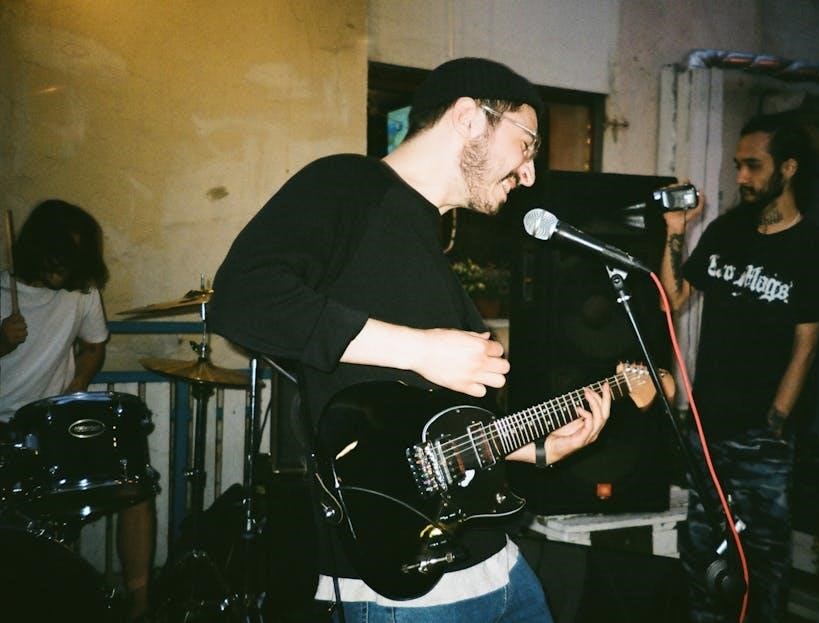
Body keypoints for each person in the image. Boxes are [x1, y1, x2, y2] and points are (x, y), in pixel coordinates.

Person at [209, 57, 613, 622]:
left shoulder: (431, 238)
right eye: (527, 144)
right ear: (469, 117)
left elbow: (417, 429)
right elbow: (240, 299)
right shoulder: (347, 184)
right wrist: (422, 349)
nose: (529, 174)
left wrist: (532, 448)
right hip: (402, 586)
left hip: (494, 563)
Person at [660, 114, 819, 622]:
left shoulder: (816, 251)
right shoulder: (726, 232)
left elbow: (806, 346)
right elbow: (673, 298)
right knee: (702, 549)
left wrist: (775, 421)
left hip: (761, 435)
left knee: (762, 560)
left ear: (788, 168)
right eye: (738, 165)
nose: (741, 176)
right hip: (707, 427)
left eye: (753, 165)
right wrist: (676, 231)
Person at [0, 200, 156, 621]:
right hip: (3, 427)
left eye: (74, 259)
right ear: (37, 248)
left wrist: (78, 384)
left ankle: (139, 605)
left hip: (53, 423)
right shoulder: (1, 291)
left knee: (133, 485)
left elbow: (94, 346)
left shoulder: (82, 292)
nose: (65, 269)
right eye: (59, 257)